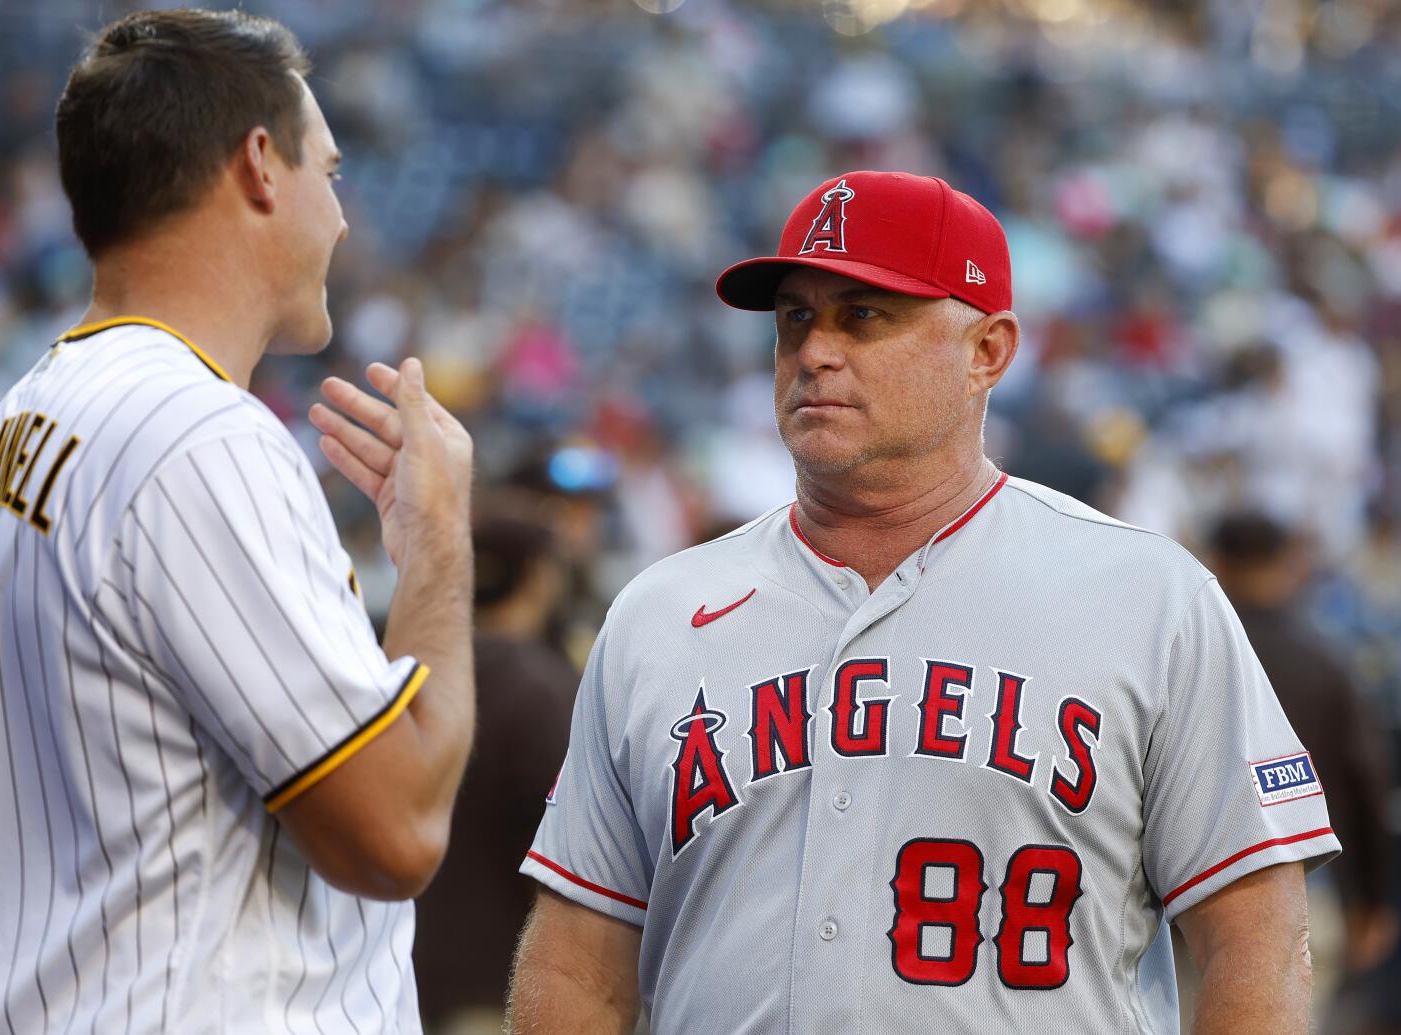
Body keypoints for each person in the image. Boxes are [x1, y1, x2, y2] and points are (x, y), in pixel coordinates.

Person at [498, 171, 1339, 1032]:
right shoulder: (660, 611)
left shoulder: (1148, 597)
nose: (815, 351)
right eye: (796, 317)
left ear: (989, 351)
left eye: (864, 314)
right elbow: (576, 963)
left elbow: (1257, 945)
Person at [0, 10, 474, 1033]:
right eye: (331, 172)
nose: (342, 218)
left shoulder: (4, 434)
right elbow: (395, 831)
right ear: (261, 166)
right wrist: (439, 546)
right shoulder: (196, 434)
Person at [1205, 511, 1396, 1022]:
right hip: (1309, 891)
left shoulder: (1189, 653)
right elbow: (1365, 788)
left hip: (1190, 891)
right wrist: (1372, 901)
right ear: (1288, 564)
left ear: (1215, 560)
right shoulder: (1325, 661)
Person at [414, 515, 579, 1034]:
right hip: (496, 986)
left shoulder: (401, 669)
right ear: (538, 576)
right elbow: (571, 853)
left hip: (394, 973)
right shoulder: (541, 686)